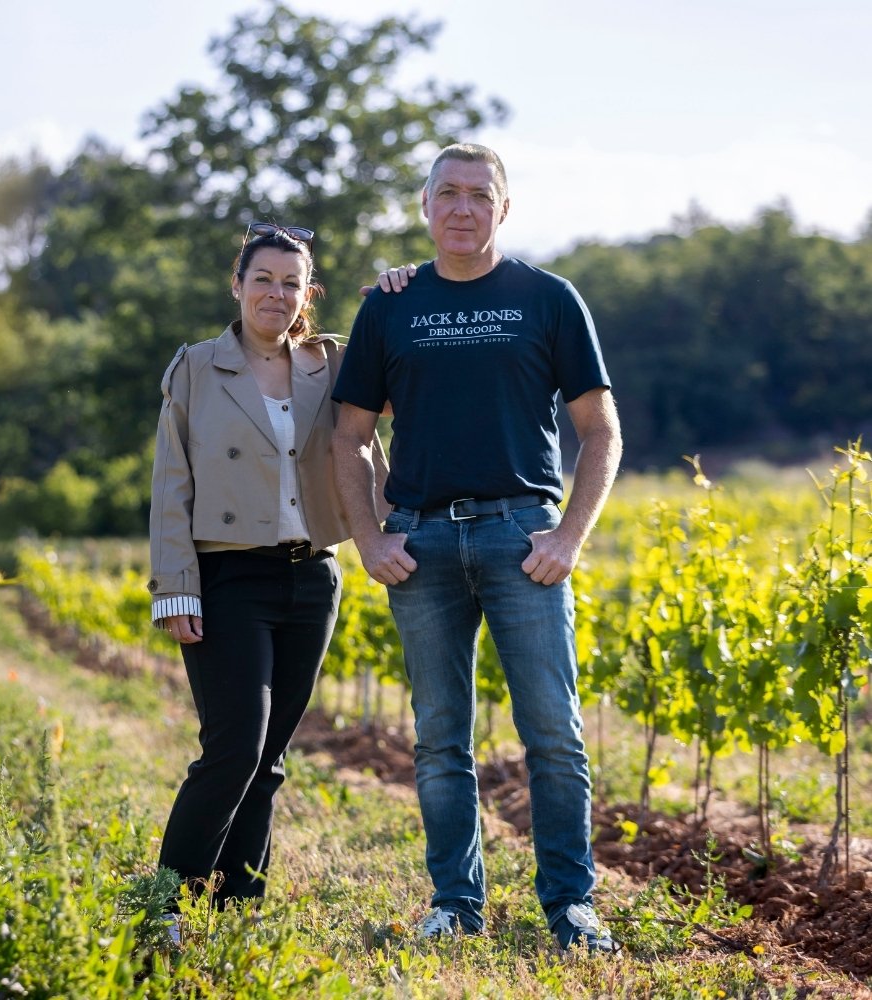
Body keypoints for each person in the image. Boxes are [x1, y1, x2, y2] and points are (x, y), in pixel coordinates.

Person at [331, 143, 624, 955]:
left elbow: (600, 430)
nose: (464, 208)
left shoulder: (549, 298)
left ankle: (572, 908)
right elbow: (350, 436)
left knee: (554, 734)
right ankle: (456, 906)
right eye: (449, 193)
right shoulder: (389, 305)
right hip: (420, 544)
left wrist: (570, 535)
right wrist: (370, 536)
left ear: (505, 207)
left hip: (522, 537)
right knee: (438, 739)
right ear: (425, 205)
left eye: (480, 195)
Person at [148, 221, 388, 928]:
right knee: (234, 749)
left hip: (313, 579)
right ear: (238, 285)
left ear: (309, 294)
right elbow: (171, 484)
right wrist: (175, 586)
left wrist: (401, 298)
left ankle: (235, 913)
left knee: (270, 759)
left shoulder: (331, 364)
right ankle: (164, 907)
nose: (276, 294)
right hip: (227, 577)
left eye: (291, 283)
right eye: (263, 279)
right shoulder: (196, 367)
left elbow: (401, 390)